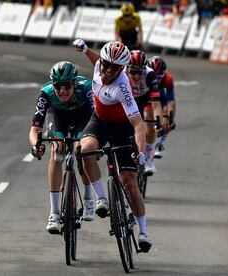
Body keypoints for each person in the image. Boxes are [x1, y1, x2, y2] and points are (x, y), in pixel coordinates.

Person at [72, 39, 152, 252]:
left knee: (130, 181)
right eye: (106, 63)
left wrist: (142, 153)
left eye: (114, 67)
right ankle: (102, 200)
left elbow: (138, 124)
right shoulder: (101, 64)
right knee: (85, 150)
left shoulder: (123, 88)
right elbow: (97, 60)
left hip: (122, 128)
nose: (107, 70)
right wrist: (85, 50)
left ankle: (143, 231)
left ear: (122, 68)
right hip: (99, 121)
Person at [29, 61, 95, 234]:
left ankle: (89, 199)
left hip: (82, 115)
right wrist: (36, 146)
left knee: (80, 151)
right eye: (58, 86)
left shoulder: (86, 88)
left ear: (74, 83)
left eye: (66, 85)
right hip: (57, 116)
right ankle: (54, 213)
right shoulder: (47, 92)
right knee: (57, 151)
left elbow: (98, 117)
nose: (62, 91)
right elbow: (35, 129)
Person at [126, 50, 164, 174]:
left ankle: (149, 160)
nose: (136, 76)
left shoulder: (150, 74)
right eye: (133, 72)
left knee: (149, 118)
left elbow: (156, 104)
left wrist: (158, 122)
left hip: (145, 99)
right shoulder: (121, 73)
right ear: (127, 68)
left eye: (139, 72)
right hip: (129, 99)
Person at [148, 56, 177, 158]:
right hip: (144, 94)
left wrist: (169, 118)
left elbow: (170, 100)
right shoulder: (143, 75)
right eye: (154, 77)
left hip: (159, 95)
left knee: (168, 115)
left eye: (159, 77)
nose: (156, 80)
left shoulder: (168, 78)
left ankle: (160, 143)